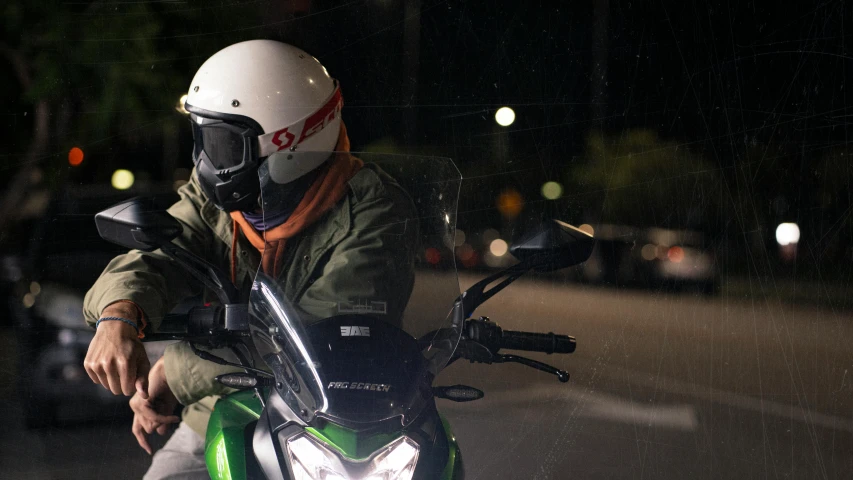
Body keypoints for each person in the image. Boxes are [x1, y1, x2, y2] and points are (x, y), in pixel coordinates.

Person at [82, 39, 417, 479]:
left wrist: (174, 372)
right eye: (202, 138)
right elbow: (162, 254)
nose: (205, 162)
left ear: (288, 142)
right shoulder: (222, 202)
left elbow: (312, 336)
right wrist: (119, 312)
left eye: (221, 144)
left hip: (338, 422)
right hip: (222, 409)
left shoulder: (374, 211)